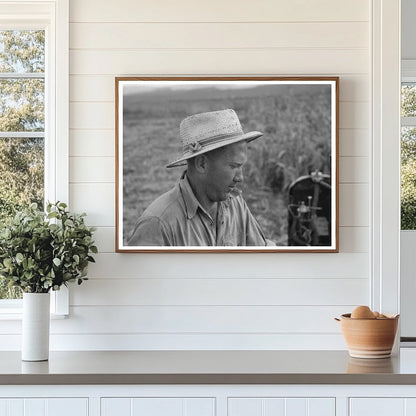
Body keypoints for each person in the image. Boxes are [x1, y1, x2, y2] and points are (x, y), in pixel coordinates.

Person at [127, 108, 271, 246]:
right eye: (233, 166)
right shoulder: (158, 223)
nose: (240, 178)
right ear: (201, 164)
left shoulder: (236, 204)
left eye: (241, 166)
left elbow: (262, 257)